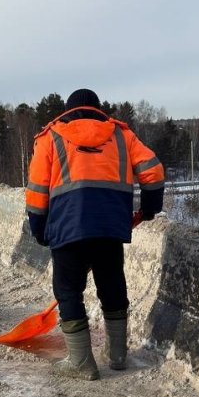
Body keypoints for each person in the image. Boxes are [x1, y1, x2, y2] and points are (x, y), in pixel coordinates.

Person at [25, 88, 164, 380]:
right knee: (112, 285)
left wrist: (38, 228)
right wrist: (149, 208)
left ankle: (81, 362)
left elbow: (37, 189)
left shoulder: (51, 137)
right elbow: (153, 169)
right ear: (98, 110)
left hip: (67, 228)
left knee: (68, 291)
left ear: (68, 110)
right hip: (111, 227)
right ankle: (117, 356)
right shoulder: (122, 136)